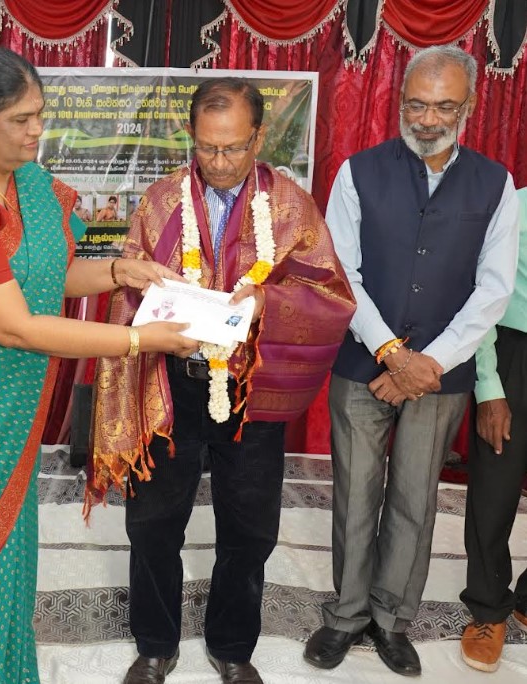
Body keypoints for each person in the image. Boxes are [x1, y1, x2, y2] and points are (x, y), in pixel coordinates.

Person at [0, 47, 197, 684]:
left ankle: (0, 668)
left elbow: (48, 275)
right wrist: (140, 340)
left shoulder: (25, 181)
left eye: (39, 114)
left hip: (5, 395)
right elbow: (13, 324)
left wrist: (119, 271)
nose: (37, 131)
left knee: (7, 546)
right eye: (20, 120)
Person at [85, 77, 356, 684]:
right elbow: (128, 289)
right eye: (207, 147)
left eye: (233, 147)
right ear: (192, 136)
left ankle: (233, 649)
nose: (220, 161)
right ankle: (155, 646)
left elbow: (330, 293)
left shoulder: (290, 206)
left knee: (250, 527)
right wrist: (150, 310)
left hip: (252, 388)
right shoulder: (160, 202)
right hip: (170, 384)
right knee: (152, 522)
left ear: (258, 137)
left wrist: (266, 302)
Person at [305, 45, 519, 677]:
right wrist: (392, 353)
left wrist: (431, 363)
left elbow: (494, 290)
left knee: (415, 498)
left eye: (444, 107)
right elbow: (341, 272)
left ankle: (392, 620)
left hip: (441, 375)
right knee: (355, 493)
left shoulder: (496, 185)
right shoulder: (357, 172)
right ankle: (346, 616)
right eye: (416, 104)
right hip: (362, 363)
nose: (427, 120)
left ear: (470, 106)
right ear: (399, 100)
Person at [459, 186, 527, 672]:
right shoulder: (513, 205)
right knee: (494, 491)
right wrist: (488, 386)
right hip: (513, 354)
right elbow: (481, 295)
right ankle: (487, 609)